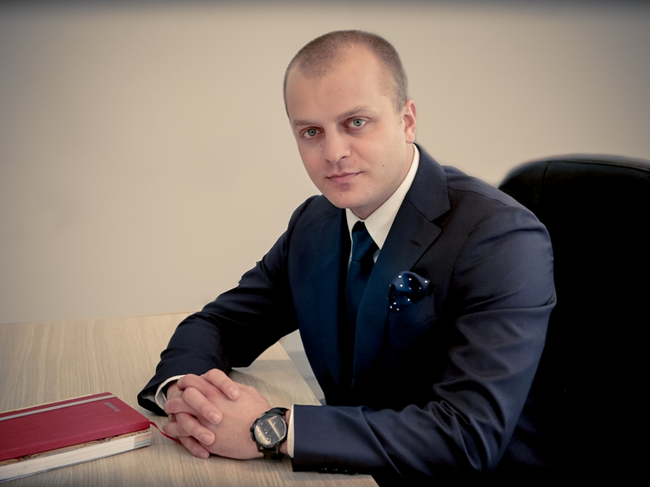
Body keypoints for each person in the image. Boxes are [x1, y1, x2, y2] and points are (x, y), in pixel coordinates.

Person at [138, 30, 555, 484]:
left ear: (407, 121)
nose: (333, 153)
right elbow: (219, 324)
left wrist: (274, 430)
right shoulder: (315, 223)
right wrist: (186, 396)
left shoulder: (501, 237)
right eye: (311, 132)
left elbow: (467, 438)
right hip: (349, 475)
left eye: (356, 122)